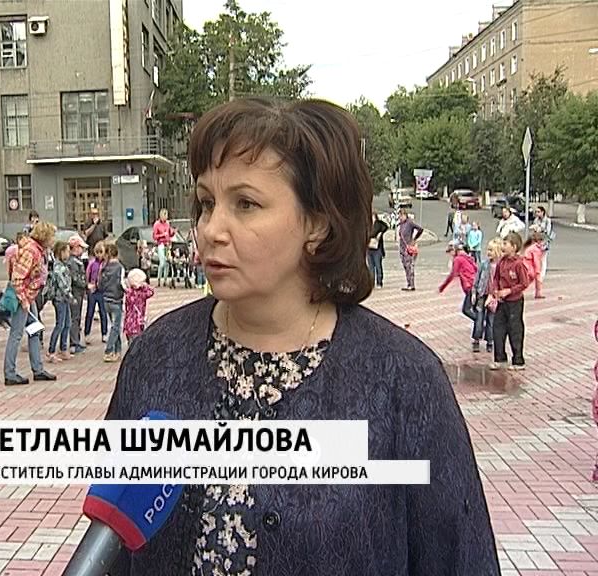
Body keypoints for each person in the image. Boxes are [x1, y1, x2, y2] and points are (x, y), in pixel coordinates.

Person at [105, 97, 500, 575]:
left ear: (317, 223)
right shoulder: (156, 357)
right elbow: (114, 546)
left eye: (245, 204)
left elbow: (460, 557)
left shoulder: (403, 380)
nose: (211, 230)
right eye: (207, 203)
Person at [3, 221, 57, 386]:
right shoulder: (31, 251)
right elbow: (17, 278)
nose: (53, 239)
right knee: (16, 334)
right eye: (52, 236)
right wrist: (24, 300)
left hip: (29, 296)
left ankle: (38, 369)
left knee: (35, 330)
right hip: (23, 297)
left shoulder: (37, 250)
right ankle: (10, 373)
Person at [489, 232, 530, 371]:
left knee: (515, 330)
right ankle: (500, 358)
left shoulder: (519, 264)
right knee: (498, 329)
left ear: (514, 247)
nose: (503, 246)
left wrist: (510, 291)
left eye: (505, 244)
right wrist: (495, 290)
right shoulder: (502, 262)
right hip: (502, 302)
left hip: (515, 302)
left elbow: (524, 283)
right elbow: (496, 278)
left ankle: (518, 360)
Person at [439, 242, 479, 351]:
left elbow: (452, 274)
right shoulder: (468, 257)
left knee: (466, 310)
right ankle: (479, 330)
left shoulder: (458, 259)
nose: (450, 254)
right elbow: (476, 269)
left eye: (450, 252)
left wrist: (442, 287)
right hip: (475, 285)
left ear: (454, 250)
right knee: (475, 309)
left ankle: (481, 324)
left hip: (470, 286)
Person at [471, 238, 502, 354]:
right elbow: (477, 279)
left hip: (493, 297)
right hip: (482, 295)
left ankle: (490, 341)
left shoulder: (500, 266)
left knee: (491, 320)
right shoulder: (484, 264)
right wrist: (474, 292)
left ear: (497, 251)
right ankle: (476, 339)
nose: (488, 252)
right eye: (488, 250)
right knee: (479, 319)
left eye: (491, 250)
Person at [44, 241, 73, 363]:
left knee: (67, 323)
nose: (69, 253)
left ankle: (63, 348)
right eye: (67, 251)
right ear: (61, 252)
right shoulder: (58, 268)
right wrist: (70, 296)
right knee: (60, 324)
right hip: (60, 299)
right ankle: (51, 351)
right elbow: (63, 285)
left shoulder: (63, 265)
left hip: (64, 299)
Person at [100, 242, 125, 362]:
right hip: (116, 299)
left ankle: (117, 351)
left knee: (115, 325)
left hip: (106, 299)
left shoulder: (104, 267)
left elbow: (100, 284)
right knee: (116, 327)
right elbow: (122, 283)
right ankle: (109, 350)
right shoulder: (119, 267)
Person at [67, 235, 88, 353]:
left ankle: (76, 340)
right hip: (75, 293)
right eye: (81, 247)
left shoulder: (76, 261)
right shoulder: (73, 262)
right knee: (74, 317)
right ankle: (74, 342)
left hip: (78, 293)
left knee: (77, 317)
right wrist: (86, 285)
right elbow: (75, 278)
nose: (83, 250)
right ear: (75, 247)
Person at [122, 268, 155, 346]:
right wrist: (146, 286)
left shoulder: (129, 292)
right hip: (136, 323)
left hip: (129, 324)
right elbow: (151, 292)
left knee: (131, 343)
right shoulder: (140, 294)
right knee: (136, 344)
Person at [84, 241, 108, 344]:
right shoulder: (92, 263)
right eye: (97, 252)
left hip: (102, 291)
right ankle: (87, 333)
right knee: (90, 312)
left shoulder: (106, 264)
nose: (99, 255)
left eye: (101, 252)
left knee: (103, 312)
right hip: (93, 290)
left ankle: (104, 333)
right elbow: (87, 275)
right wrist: (88, 286)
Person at [397, 208, 423, 291]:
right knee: (405, 266)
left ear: (405, 215)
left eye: (401, 216)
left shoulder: (409, 223)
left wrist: (414, 239)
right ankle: (408, 283)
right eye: (399, 216)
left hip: (408, 248)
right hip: (402, 247)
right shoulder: (401, 224)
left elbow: (420, 229)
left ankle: (411, 284)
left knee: (409, 266)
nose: (400, 218)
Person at [152, 208, 175, 287]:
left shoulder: (167, 223)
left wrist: (173, 232)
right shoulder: (156, 224)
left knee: (167, 263)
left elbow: (169, 233)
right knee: (162, 263)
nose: (166, 217)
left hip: (167, 245)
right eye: (165, 215)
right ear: (161, 216)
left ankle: (165, 280)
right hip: (161, 244)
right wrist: (162, 235)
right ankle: (159, 279)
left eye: (167, 215)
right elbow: (154, 236)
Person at [522, 229, 545, 299]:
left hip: (526, 266)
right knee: (535, 280)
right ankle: (538, 293)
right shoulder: (535, 249)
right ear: (539, 241)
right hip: (530, 268)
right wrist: (538, 271)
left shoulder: (530, 247)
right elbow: (536, 261)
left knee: (525, 281)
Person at [367, 211, 388, 288]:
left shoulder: (379, 224)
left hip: (377, 248)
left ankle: (379, 282)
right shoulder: (368, 225)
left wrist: (380, 233)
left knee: (378, 265)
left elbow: (386, 226)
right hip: (369, 248)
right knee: (371, 267)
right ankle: (371, 282)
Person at [532, 205, 554, 278]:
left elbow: (548, 231)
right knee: (536, 258)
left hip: (544, 242)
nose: (537, 213)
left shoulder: (547, 220)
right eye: (536, 212)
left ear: (543, 212)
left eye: (538, 212)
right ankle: (537, 272)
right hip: (537, 241)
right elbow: (534, 230)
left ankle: (542, 274)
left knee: (543, 259)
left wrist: (541, 229)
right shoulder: (536, 220)